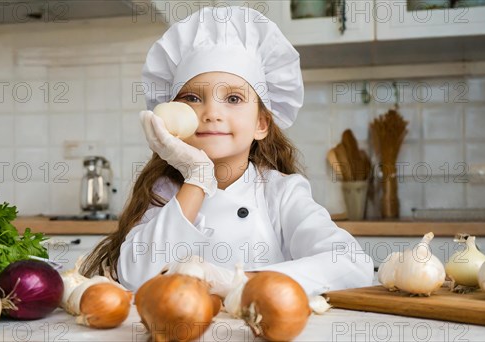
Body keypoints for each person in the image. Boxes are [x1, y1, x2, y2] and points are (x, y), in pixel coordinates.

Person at [81, 5, 373, 296]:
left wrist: (230, 281)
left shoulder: (281, 193)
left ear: (261, 123)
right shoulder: (164, 192)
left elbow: (351, 264)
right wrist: (197, 176)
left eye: (233, 98)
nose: (211, 112)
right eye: (193, 97)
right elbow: (135, 278)